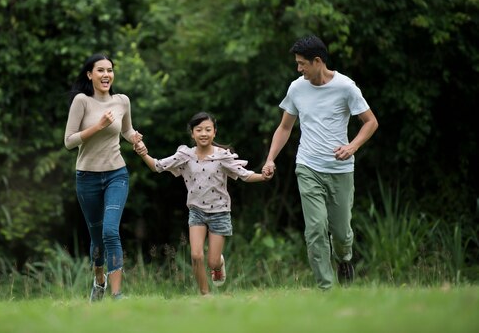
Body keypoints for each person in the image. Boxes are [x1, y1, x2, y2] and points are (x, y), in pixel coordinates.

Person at [262, 35, 378, 291]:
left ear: (318, 61)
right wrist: (270, 159)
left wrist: (352, 146)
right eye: (297, 63)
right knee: (315, 229)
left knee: (341, 233)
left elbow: (370, 122)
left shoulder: (346, 87)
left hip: (340, 170)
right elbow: (284, 127)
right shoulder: (296, 88)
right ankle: (327, 289)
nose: (298, 68)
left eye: (302, 63)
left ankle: (344, 259)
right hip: (307, 166)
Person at [134, 111, 272, 296]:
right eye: (199, 130)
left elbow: (244, 175)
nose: (204, 133)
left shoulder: (222, 156)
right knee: (196, 255)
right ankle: (205, 295)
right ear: (192, 134)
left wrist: (263, 176)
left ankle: (218, 264)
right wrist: (144, 154)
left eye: (208, 129)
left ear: (214, 132)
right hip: (196, 211)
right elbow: (157, 166)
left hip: (220, 212)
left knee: (212, 262)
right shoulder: (185, 155)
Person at [64, 52, 142, 302]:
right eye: (100, 70)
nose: (106, 74)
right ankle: (100, 282)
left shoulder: (122, 101)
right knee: (97, 240)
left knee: (111, 231)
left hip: (116, 174)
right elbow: (68, 141)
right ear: (90, 74)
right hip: (87, 177)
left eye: (110, 70)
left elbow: (127, 130)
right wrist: (97, 126)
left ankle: (118, 295)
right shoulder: (81, 101)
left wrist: (135, 139)